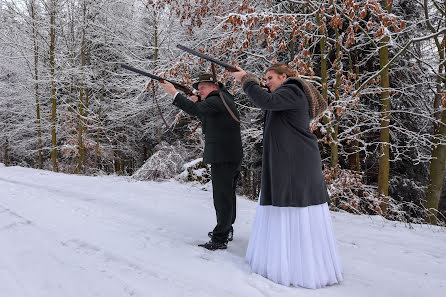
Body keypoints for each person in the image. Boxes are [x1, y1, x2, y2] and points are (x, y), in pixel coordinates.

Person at [229, 64, 343, 288]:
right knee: (289, 206)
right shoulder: (288, 93)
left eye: (270, 78)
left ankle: (296, 270)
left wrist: (246, 79)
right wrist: (252, 82)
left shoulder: (292, 89)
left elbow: (265, 101)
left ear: (285, 77)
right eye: (265, 79)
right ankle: (287, 265)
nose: (267, 82)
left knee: (294, 207)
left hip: (296, 163)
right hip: (291, 161)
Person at [160, 73, 243, 250]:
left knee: (222, 198)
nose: (200, 90)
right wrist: (196, 101)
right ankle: (226, 229)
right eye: (199, 88)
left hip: (223, 155)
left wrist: (174, 93)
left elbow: (198, 111)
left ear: (214, 86)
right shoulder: (223, 98)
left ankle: (220, 238)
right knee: (227, 196)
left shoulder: (216, 99)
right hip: (230, 154)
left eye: (203, 87)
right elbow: (206, 115)